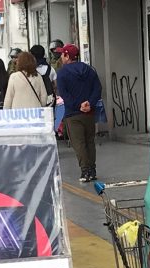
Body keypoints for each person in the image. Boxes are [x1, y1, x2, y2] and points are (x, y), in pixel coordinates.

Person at [56, 44, 102, 182]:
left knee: (79, 143)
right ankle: (92, 170)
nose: (61, 57)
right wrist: (90, 103)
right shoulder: (89, 70)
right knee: (89, 141)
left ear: (67, 56)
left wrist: (78, 105)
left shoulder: (62, 73)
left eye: (62, 54)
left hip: (72, 114)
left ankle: (85, 171)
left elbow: (64, 94)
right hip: (89, 113)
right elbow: (97, 88)